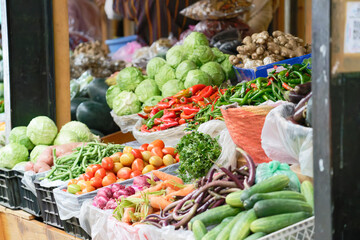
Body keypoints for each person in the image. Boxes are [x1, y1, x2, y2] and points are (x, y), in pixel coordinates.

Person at [99, 0, 279, 44]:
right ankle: (162, 54)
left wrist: (248, 38)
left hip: (225, 30)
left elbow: (260, 15)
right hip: (166, 28)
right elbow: (111, 9)